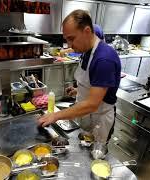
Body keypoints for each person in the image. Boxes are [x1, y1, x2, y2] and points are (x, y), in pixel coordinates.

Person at [38, 10, 121, 144]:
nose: (69, 45)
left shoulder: (104, 59)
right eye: (67, 39)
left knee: (94, 157)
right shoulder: (87, 51)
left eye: (71, 38)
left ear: (87, 31)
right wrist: (79, 90)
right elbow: (94, 84)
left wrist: (56, 115)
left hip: (98, 120)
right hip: (86, 116)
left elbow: (92, 104)